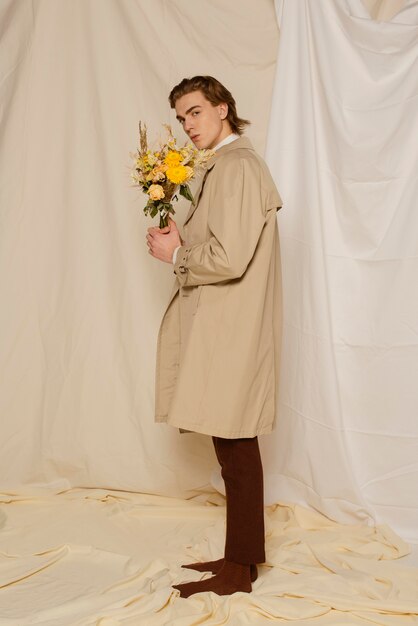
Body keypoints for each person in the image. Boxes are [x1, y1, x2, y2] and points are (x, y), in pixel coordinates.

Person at [146, 75, 283, 598]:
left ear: (223, 108)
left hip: (232, 327)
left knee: (237, 444)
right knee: (231, 446)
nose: (188, 125)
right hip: (222, 324)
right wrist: (182, 240)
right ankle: (239, 558)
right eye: (182, 117)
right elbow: (225, 242)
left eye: (196, 112)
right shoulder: (223, 168)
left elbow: (230, 257)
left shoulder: (239, 168)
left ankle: (241, 569)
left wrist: (177, 257)